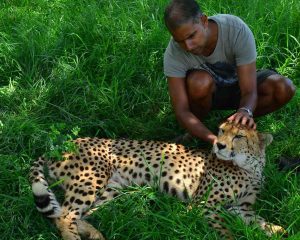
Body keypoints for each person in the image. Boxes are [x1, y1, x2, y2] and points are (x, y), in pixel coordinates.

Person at [163, 0, 296, 145]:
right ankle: (201, 130)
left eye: (191, 36)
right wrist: (213, 140)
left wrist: (245, 112)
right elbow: (182, 111)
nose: (187, 46)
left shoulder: (235, 29)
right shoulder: (173, 53)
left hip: (240, 84)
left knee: (284, 88)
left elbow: (249, 91)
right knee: (199, 82)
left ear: (204, 21)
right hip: (207, 93)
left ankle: (224, 125)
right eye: (180, 41)